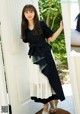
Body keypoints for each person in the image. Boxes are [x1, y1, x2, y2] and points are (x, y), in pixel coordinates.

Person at [21, 4, 65, 114]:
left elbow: (51, 38)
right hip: (34, 57)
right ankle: (46, 104)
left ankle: (51, 103)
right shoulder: (24, 27)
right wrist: (31, 57)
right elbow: (28, 44)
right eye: (26, 12)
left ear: (35, 12)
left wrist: (60, 28)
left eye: (31, 11)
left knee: (47, 79)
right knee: (39, 80)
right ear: (24, 14)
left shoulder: (41, 24)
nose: (29, 14)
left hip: (45, 54)